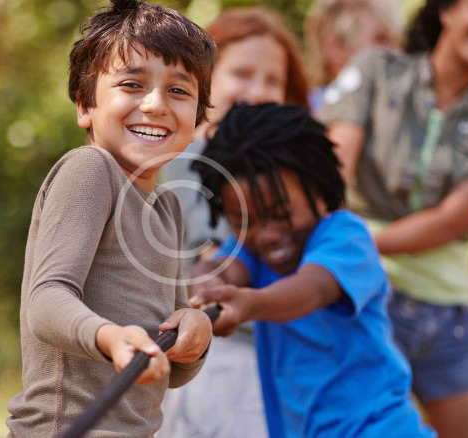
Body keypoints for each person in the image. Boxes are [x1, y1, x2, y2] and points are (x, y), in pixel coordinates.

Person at [319, 0, 468, 436]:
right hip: (358, 298)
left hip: (444, 314)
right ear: (447, 9)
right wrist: (344, 258)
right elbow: (331, 173)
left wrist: (363, 242)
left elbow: (452, 221)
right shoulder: (375, 70)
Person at [5, 0, 217, 436]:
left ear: (196, 118)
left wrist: (194, 337)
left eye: (179, 91)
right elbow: (46, 301)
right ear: (86, 105)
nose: (156, 104)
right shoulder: (90, 169)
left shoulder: (168, 208)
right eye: (132, 84)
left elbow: (165, 368)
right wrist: (110, 338)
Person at [187, 103, 436, 438]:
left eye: (281, 213)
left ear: (317, 191)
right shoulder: (251, 250)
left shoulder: (346, 238)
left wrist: (249, 304)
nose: (266, 235)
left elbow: (312, 288)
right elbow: (221, 269)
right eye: (245, 221)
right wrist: (204, 285)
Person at [158, 8, 308, 438]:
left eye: (273, 81)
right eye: (242, 73)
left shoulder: (294, 174)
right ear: (203, 78)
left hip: (272, 357)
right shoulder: (180, 158)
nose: (257, 91)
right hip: (201, 357)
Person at [304, 0, 404, 112]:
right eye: (381, 39)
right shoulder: (310, 112)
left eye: (398, 41)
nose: (396, 51)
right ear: (337, 46)